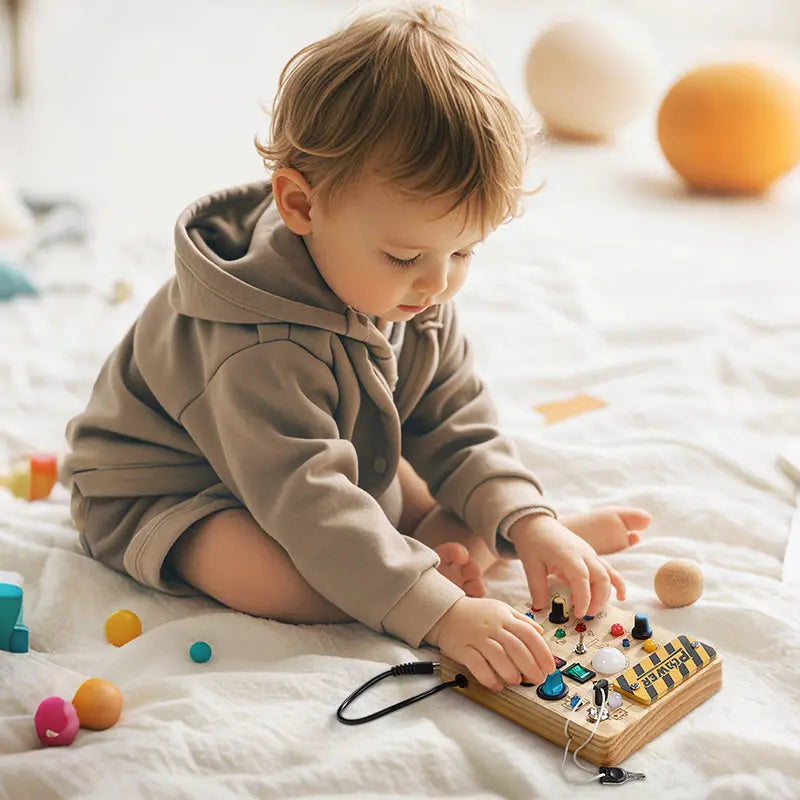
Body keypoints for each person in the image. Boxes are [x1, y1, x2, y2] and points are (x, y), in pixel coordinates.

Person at [63, 4, 651, 692]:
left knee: (420, 487)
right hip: (175, 487)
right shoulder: (257, 351)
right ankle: (425, 565)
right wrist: (443, 615)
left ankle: (479, 543)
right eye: (405, 255)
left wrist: (526, 519)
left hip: (301, 450)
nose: (438, 282)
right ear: (302, 207)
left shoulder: (412, 291)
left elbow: (455, 418)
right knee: (281, 578)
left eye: (464, 250)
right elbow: (314, 507)